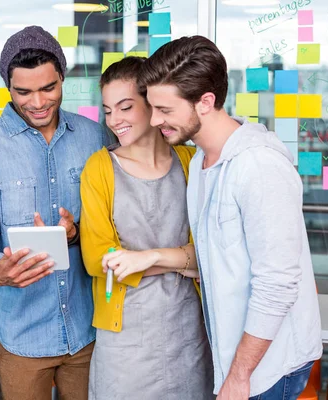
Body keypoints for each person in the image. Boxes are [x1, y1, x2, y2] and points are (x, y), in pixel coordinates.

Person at [139, 36, 323, 400]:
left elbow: (277, 284)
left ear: (205, 102)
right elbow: (219, 261)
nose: (154, 120)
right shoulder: (202, 165)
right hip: (237, 359)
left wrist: (240, 376)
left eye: (165, 109)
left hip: (267, 366)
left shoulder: (259, 167)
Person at [0, 26, 111, 400]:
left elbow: (116, 220)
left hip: (88, 328)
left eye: (48, 88)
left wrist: (77, 233)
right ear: (8, 88)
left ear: (63, 77)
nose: (38, 102)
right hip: (21, 336)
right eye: (23, 91)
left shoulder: (96, 137)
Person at [79, 56, 214, 399]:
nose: (115, 121)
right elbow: (99, 260)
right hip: (125, 340)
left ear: (152, 105)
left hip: (187, 331)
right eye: (108, 111)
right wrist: (181, 260)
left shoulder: (189, 161)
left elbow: (210, 253)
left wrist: (142, 258)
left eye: (125, 107)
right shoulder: (99, 168)